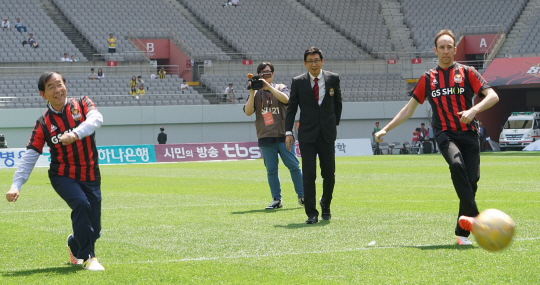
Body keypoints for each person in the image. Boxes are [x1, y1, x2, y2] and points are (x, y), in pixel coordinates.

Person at [374, 30, 499, 245]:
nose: (446, 51)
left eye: (449, 46)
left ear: (455, 49)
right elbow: (408, 109)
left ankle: (462, 234)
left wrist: (473, 110)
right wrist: (386, 129)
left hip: (469, 134)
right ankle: (478, 218)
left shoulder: (468, 72)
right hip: (444, 134)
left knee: (472, 181)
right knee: (456, 164)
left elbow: (493, 96)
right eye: (442, 47)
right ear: (435, 51)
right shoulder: (427, 78)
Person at [5, 71, 105, 271]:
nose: (57, 90)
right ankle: (89, 258)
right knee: (81, 204)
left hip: (91, 174)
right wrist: (16, 185)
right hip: (63, 175)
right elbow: (30, 155)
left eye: (59, 84)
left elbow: (97, 119)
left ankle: (74, 244)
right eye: (51, 87)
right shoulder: (43, 124)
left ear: (65, 86)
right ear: (43, 94)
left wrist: (75, 134)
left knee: (95, 227)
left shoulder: (83, 104)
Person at [285, 46, 342, 224]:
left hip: (327, 134)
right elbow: (292, 108)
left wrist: (333, 124)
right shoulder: (298, 81)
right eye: (310, 61)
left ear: (322, 61)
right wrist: (288, 132)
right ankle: (311, 213)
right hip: (307, 136)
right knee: (308, 174)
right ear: (305, 63)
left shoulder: (333, 79)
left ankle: (326, 205)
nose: (314, 64)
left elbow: (338, 104)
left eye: (316, 60)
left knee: (329, 174)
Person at [244, 62, 304, 210]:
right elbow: (248, 111)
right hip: (265, 136)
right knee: (271, 170)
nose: (266, 74)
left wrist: (268, 87)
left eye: (269, 72)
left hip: (284, 135)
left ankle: (303, 196)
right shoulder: (256, 93)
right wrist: (252, 91)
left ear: (273, 73)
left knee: (294, 166)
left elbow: (286, 100)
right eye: (263, 72)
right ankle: (276, 199)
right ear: (258, 74)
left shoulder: (280, 87)